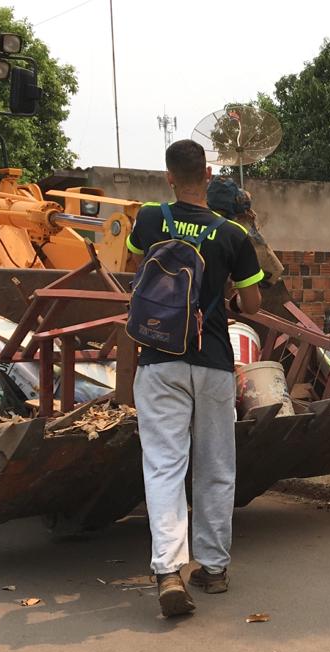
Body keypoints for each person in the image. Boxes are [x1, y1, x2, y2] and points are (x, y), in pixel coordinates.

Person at [127, 140, 264, 618]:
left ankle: (168, 570)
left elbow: (134, 266)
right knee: (216, 465)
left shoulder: (149, 218)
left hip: (158, 358)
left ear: (168, 177)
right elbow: (252, 306)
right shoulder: (231, 234)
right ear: (208, 174)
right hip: (212, 363)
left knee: (165, 463)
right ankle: (214, 567)